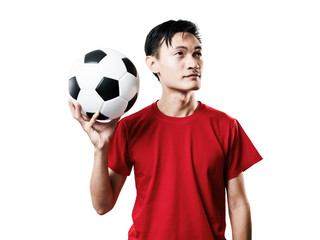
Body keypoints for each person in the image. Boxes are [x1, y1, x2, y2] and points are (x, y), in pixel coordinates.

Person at [69, 19, 262, 240]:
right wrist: (101, 148)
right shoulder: (131, 127)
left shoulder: (226, 126)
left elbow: (237, 204)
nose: (193, 63)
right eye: (180, 54)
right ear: (153, 64)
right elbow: (102, 206)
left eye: (197, 53)